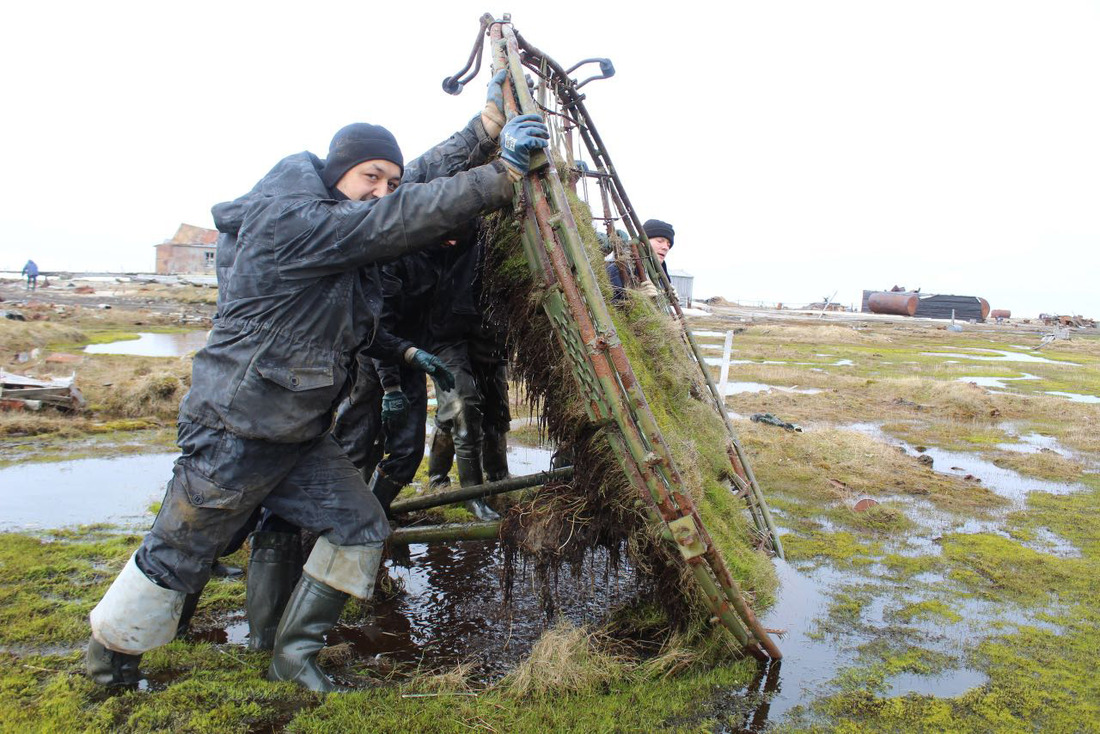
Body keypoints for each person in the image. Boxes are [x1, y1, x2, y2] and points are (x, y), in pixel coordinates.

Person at [85, 78, 550, 692]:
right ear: (337, 175)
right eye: (369, 178)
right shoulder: (294, 222)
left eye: (389, 179)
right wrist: (502, 175)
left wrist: (483, 130)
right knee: (184, 545)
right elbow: (399, 213)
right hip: (239, 424)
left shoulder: (337, 215)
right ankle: (109, 666)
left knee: (361, 525)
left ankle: (291, 657)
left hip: (299, 429)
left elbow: (405, 191)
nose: (381, 191)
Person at [605, 219, 675, 302]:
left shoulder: (661, 275)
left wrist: (667, 299)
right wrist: (637, 297)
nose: (666, 247)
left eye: (668, 244)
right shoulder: (619, 268)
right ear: (642, 242)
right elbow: (606, 306)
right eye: (660, 241)